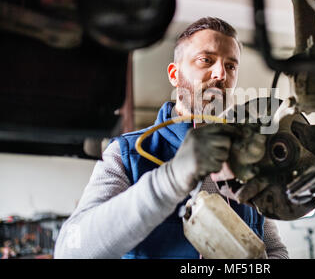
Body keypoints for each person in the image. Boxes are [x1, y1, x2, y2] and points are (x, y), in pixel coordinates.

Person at [54, 17, 289, 259]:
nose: (221, 74)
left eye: (231, 66)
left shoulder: (250, 159)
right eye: (205, 60)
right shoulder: (127, 153)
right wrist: (171, 178)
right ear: (174, 75)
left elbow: (274, 248)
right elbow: (70, 251)